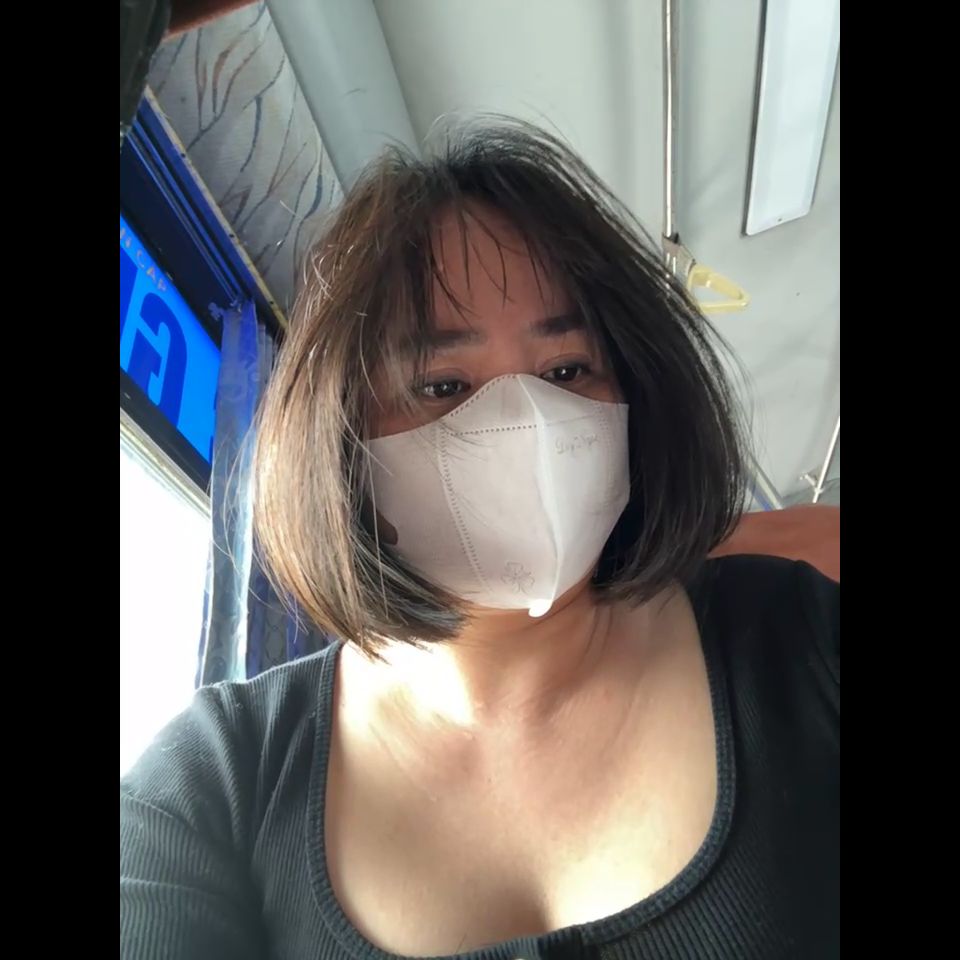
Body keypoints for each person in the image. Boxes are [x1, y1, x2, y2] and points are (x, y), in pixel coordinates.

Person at [120, 120, 839, 959]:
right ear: (341, 442)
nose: (525, 422)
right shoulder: (215, 783)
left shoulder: (802, 641)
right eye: (443, 384)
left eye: (567, 371)